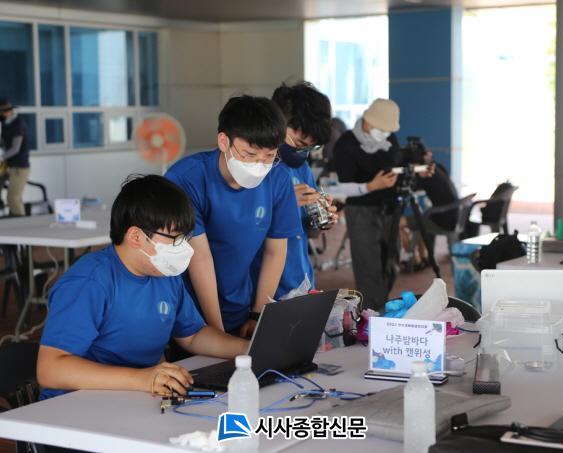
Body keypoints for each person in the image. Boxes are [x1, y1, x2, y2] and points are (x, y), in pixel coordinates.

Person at [37, 175, 248, 400]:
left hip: (135, 397)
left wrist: (249, 349)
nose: (184, 247)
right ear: (136, 237)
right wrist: (142, 379)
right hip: (74, 406)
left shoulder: (164, 274)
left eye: (185, 237)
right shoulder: (90, 282)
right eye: (174, 238)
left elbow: (193, 335)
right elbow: (50, 369)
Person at [165, 95, 301, 338]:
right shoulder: (187, 178)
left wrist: (257, 314)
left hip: (240, 303)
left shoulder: (278, 178)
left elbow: (275, 251)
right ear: (224, 141)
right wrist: (216, 334)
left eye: (269, 156)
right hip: (189, 311)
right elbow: (200, 258)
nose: (259, 165)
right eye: (249, 154)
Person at [250, 81, 337, 300]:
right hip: (262, 285)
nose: (302, 151)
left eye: (309, 147)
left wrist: (320, 218)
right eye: (298, 143)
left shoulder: (301, 166)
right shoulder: (253, 167)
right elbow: (242, 227)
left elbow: (306, 230)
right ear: (278, 121)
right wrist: (282, 202)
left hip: (300, 279)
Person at [333, 99, 420, 310]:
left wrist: (417, 170)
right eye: (382, 130)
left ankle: (381, 304)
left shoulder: (389, 138)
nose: (386, 135)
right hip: (361, 210)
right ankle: (372, 312)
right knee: (368, 266)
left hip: (389, 208)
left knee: (391, 261)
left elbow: (397, 166)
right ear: (369, 121)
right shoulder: (346, 144)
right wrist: (371, 186)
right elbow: (342, 188)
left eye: (389, 131)